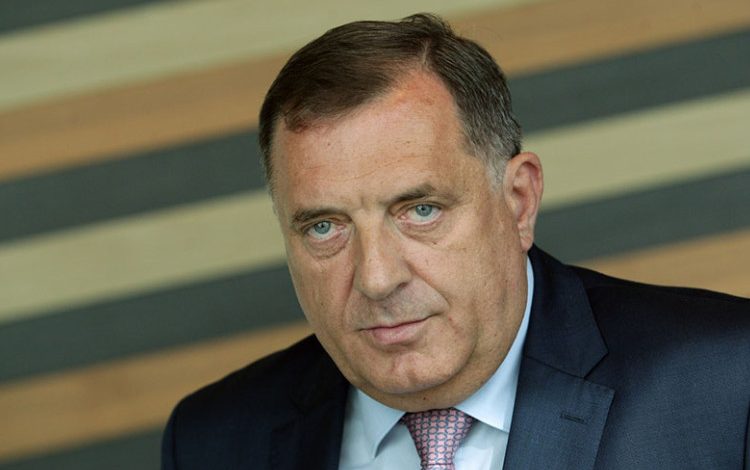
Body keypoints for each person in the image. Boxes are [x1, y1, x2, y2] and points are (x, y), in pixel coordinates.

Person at [161, 13, 750, 470]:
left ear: (519, 201)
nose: (377, 278)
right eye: (325, 227)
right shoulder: (214, 442)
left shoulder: (728, 383)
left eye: (420, 211)